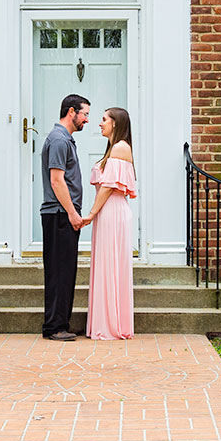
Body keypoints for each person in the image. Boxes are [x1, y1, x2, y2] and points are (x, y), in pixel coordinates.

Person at [40, 93, 91, 341]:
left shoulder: (64, 139)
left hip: (62, 214)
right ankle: (54, 327)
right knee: (60, 272)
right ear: (71, 112)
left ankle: (60, 323)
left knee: (64, 271)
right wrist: (73, 213)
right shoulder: (59, 140)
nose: (87, 120)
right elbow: (56, 180)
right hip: (60, 215)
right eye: (85, 114)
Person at [85, 107, 136, 340]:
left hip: (112, 212)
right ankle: (105, 322)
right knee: (106, 265)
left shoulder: (120, 147)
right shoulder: (113, 149)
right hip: (108, 212)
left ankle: (111, 325)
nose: (100, 123)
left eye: (104, 120)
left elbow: (108, 187)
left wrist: (91, 213)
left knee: (111, 265)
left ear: (115, 123)